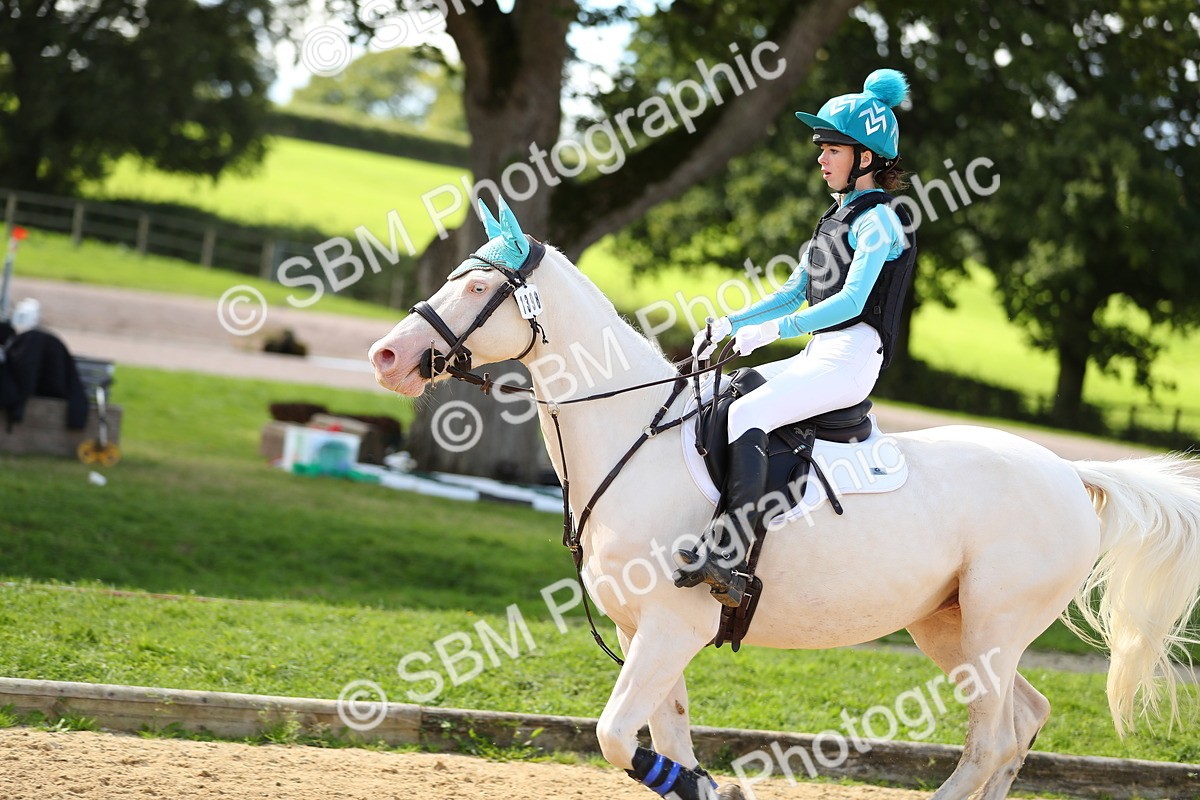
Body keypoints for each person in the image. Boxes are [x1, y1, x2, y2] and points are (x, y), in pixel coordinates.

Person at [674, 68, 918, 607]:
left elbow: (851, 302)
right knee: (730, 390)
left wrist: (773, 332)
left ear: (866, 158)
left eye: (832, 149)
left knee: (747, 414)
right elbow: (793, 293)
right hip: (822, 351)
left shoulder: (880, 221)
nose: (821, 159)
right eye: (822, 149)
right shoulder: (836, 217)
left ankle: (729, 554)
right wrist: (732, 322)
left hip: (853, 357)